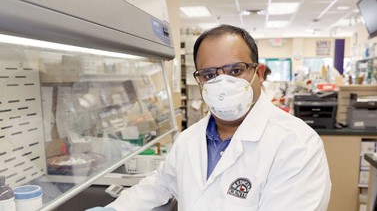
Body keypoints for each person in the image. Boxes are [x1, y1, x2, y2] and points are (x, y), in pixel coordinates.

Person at [88, 24, 331, 211]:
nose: (222, 83)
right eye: (208, 74)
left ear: (258, 72)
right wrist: (115, 208)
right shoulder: (189, 139)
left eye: (235, 70)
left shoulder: (297, 143)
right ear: (199, 80)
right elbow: (160, 184)